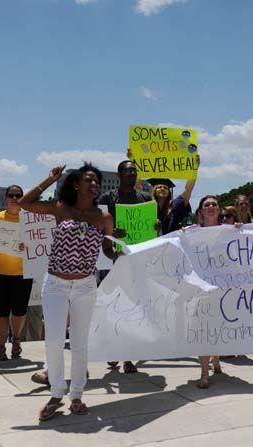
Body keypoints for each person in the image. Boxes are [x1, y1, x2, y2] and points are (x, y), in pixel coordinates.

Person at [19, 163, 117, 421]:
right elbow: (25, 204)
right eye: (88, 180)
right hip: (56, 284)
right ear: (75, 183)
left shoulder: (103, 218)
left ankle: (76, 395)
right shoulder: (62, 208)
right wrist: (50, 179)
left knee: (79, 343)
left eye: (97, 181)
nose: (94, 184)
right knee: (53, 340)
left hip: (85, 286)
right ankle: (56, 393)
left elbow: (108, 252)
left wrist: (118, 245)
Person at [98, 159, 156, 374]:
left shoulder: (146, 199)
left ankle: (127, 355)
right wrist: (111, 233)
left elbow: (151, 231)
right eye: (128, 171)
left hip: (138, 260)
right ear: (119, 174)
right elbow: (97, 225)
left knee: (134, 308)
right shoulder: (107, 198)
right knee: (113, 307)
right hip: (112, 258)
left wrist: (156, 227)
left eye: (134, 171)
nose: (132, 174)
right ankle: (113, 348)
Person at [0, 185, 33, 361]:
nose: (15, 198)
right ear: (6, 198)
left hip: (22, 273)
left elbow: (38, 245)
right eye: (12, 195)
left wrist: (28, 246)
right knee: (1, 312)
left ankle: (16, 340)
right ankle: (1, 347)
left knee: (19, 311)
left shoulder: (29, 220)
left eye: (19, 195)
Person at [193, 195, 225, 389]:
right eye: (207, 205)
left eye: (214, 204)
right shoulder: (190, 233)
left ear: (219, 210)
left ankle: (216, 358)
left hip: (224, 289)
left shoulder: (229, 231)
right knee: (203, 329)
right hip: (200, 289)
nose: (211, 207)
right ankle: (204, 373)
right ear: (201, 212)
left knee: (220, 327)